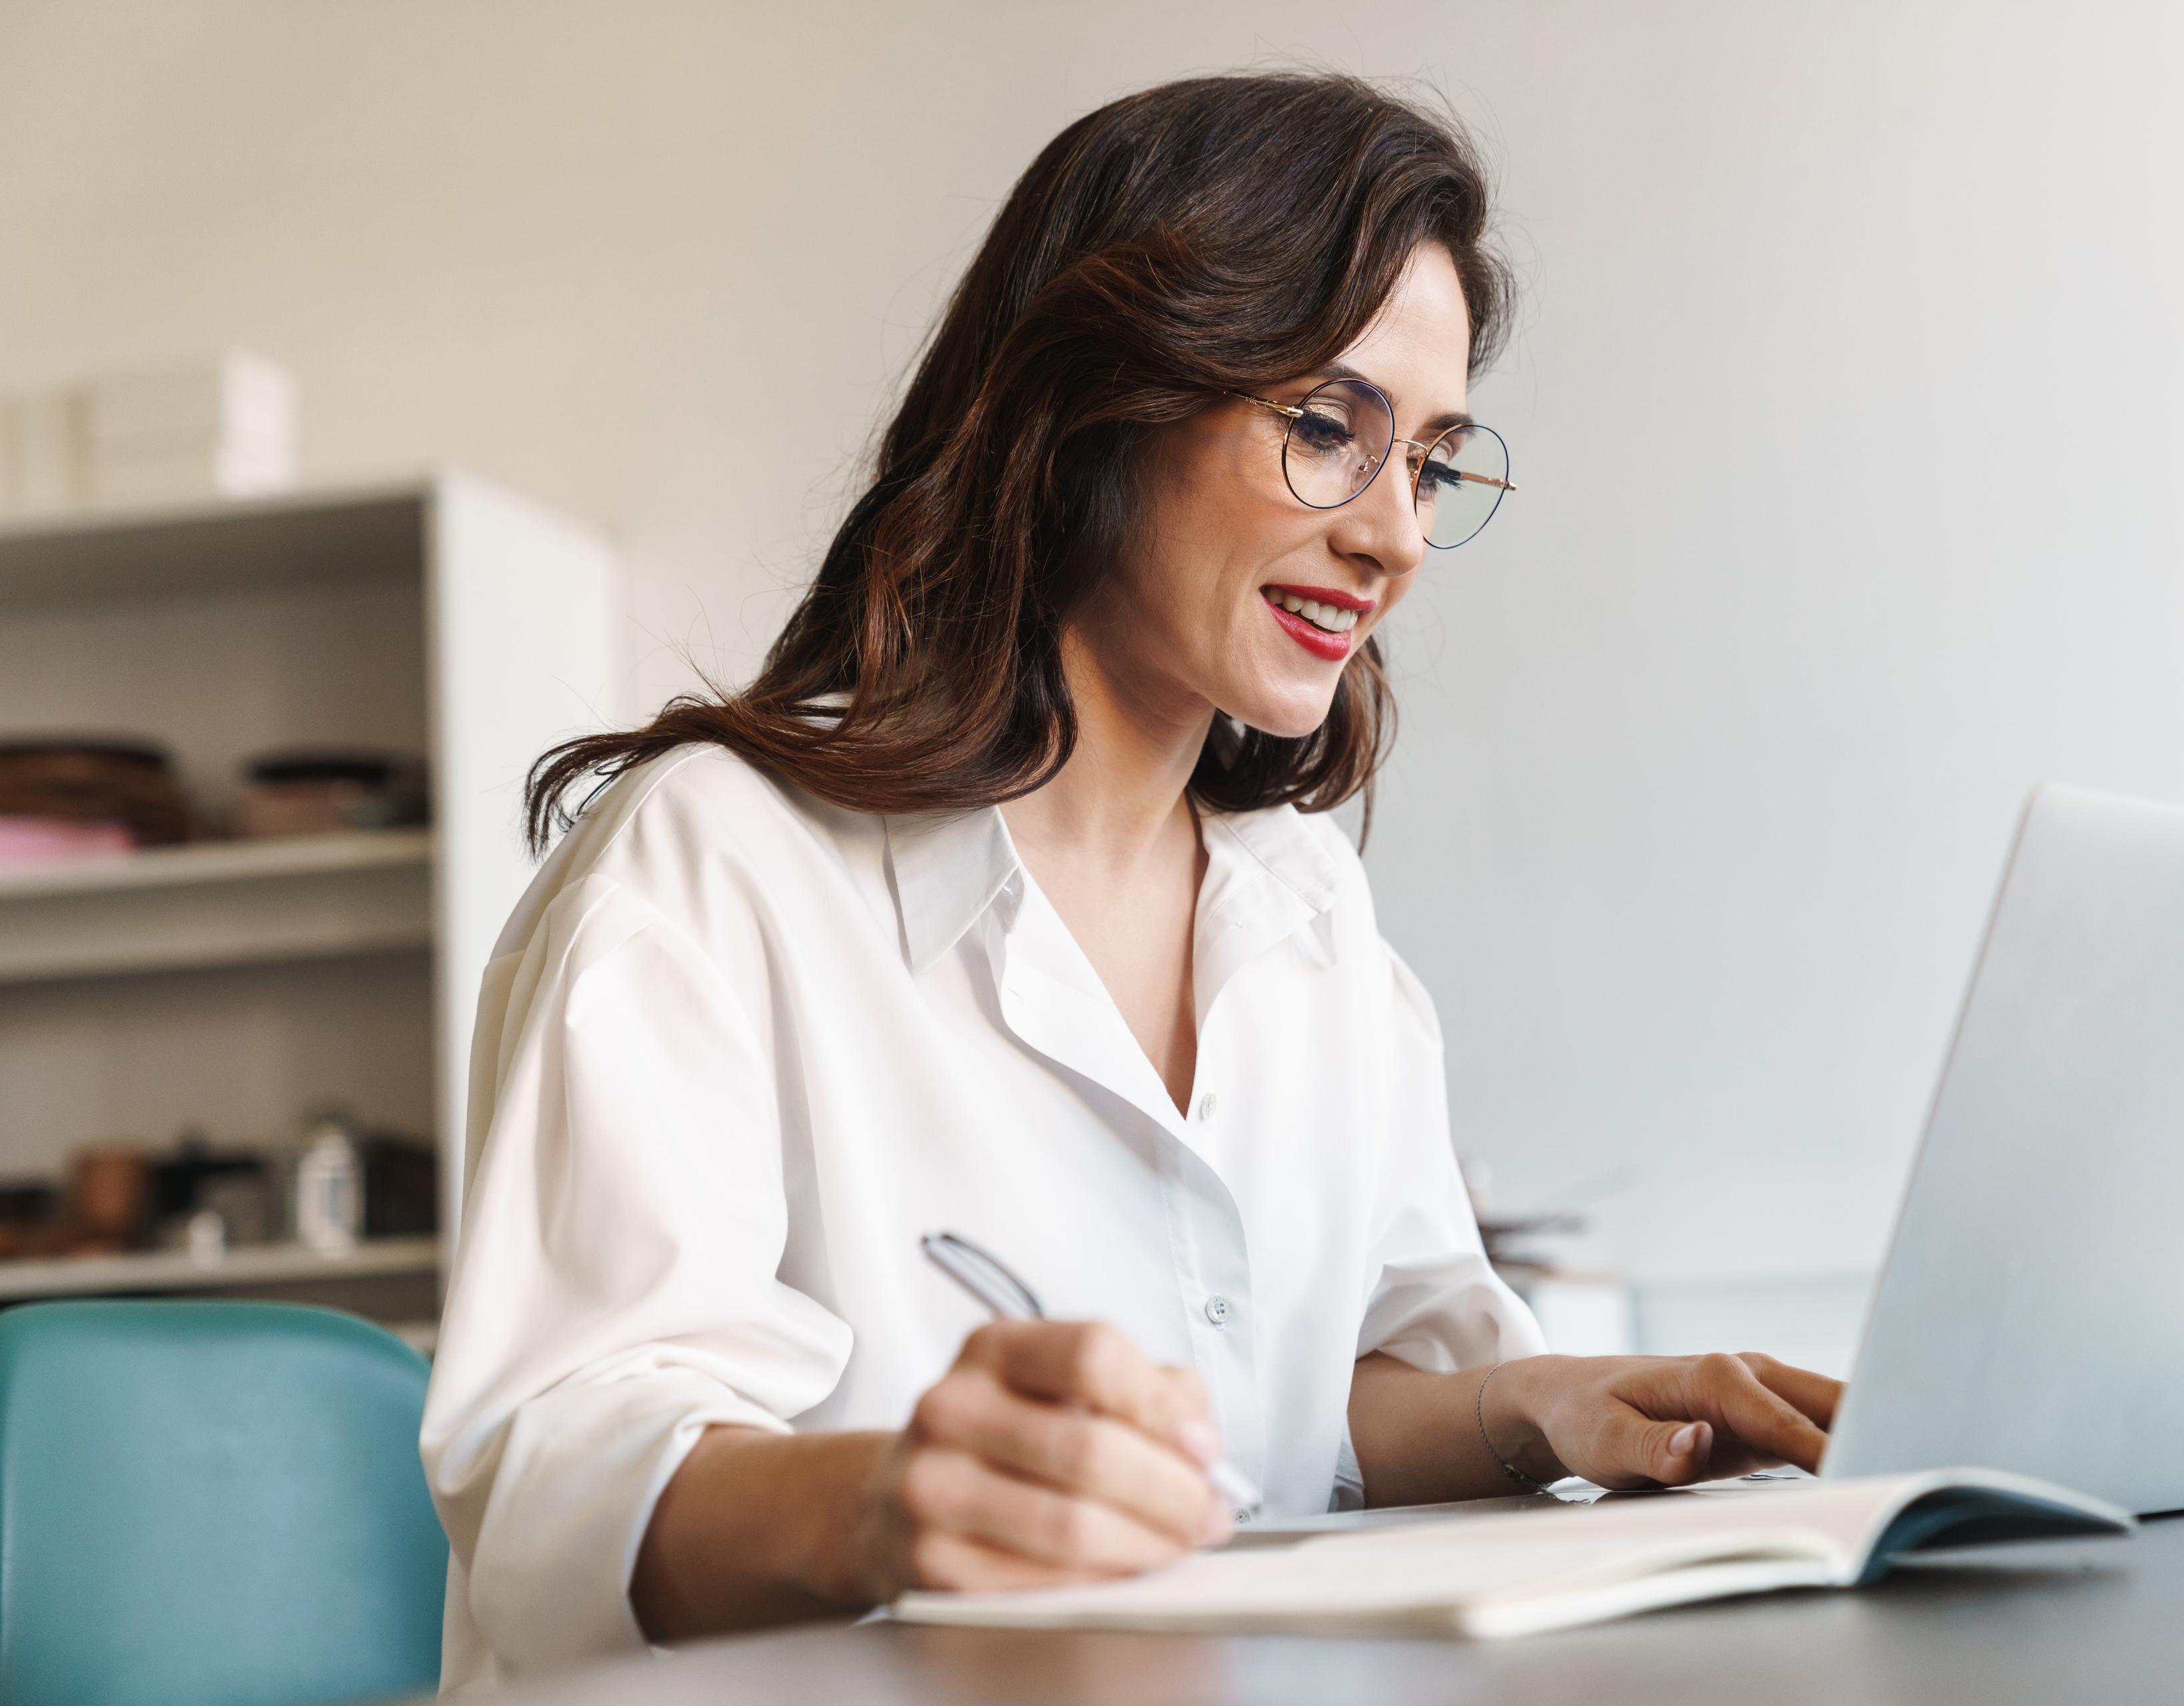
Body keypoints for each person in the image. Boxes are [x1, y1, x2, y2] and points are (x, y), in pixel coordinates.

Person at [419, 71, 1841, 1689]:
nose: (1397, 538)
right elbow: (554, 1487)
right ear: (1096, 403)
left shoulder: (1303, 914)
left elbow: (1310, 1406)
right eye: (1327, 428)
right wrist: (887, 1504)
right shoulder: (717, 862)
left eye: (1432, 464)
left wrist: (1539, 1406)